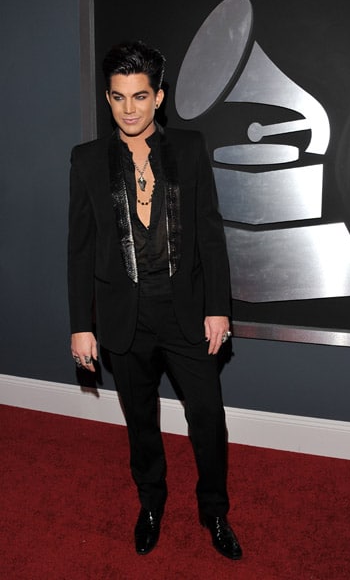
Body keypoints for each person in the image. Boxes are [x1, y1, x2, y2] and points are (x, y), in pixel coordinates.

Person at [68, 41, 242, 560]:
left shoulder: (188, 149)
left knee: (207, 417)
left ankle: (214, 510)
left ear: (158, 97)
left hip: (185, 311)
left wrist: (218, 307)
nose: (129, 109)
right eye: (118, 97)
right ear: (108, 97)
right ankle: (151, 503)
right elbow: (79, 248)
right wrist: (81, 324)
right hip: (124, 318)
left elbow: (210, 233)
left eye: (140, 96)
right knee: (140, 421)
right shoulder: (86, 159)